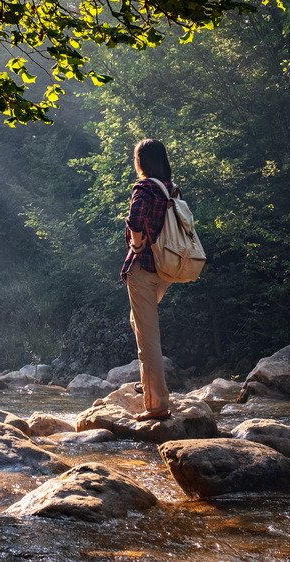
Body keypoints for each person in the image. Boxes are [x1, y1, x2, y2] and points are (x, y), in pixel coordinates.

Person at [120, 138, 177, 421]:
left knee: (147, 338)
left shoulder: (144, 187)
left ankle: (156, 406)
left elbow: (136, 216)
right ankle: (150, 383)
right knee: (138, 322)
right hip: (166, 268)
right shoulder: (171, 189)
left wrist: (139, 244)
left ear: (140, 162)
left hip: (143, 267)